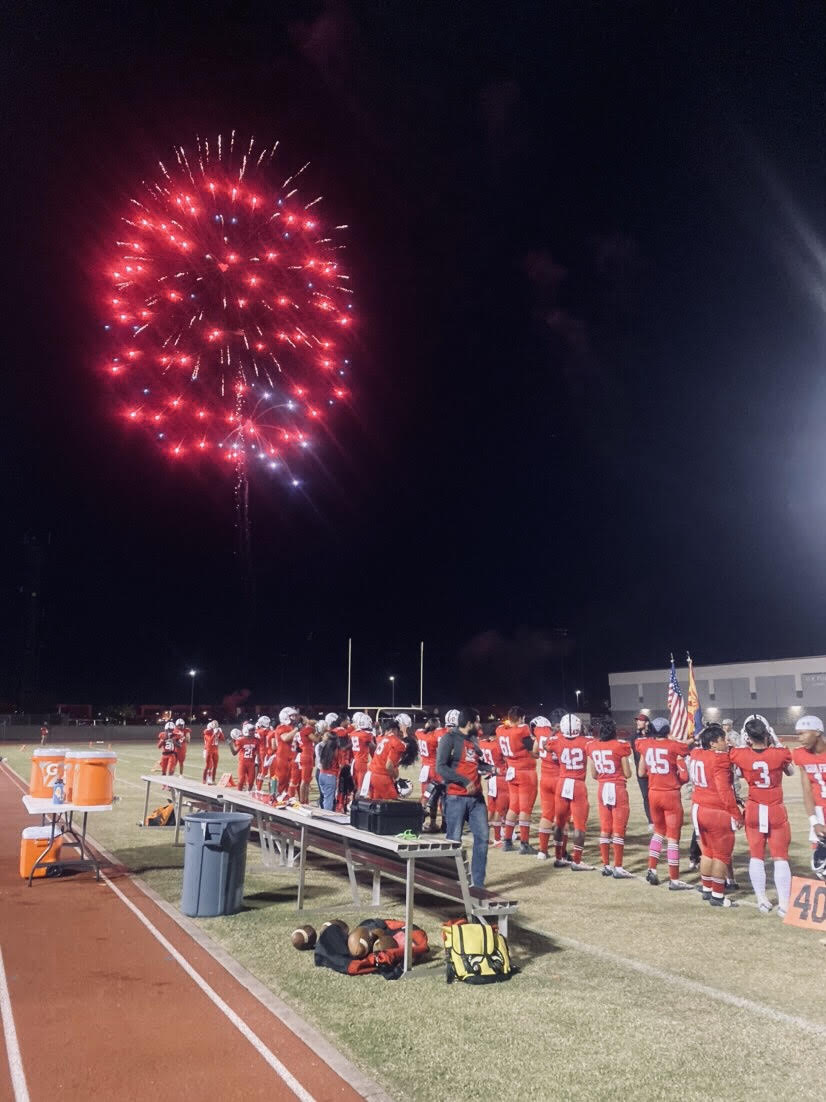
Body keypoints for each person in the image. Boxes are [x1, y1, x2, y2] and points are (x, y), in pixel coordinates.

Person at [731, 716, 794, 916]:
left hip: (754, 808)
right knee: (780, 857)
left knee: (756, 856)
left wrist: (744, 740)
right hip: (775, 809)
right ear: (766, 733)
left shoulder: (740, 754)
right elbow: (789, 765)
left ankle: (762, 900)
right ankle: (784, 904)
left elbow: (738, 755)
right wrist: (772, 735)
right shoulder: (779, 753)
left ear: (748, 737)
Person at [689, 723, 743, 907]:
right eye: (722, 739)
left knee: (707, 852)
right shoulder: (719, 759)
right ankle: (718, 895)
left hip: (698, 807)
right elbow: (724, 791)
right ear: (713, 743)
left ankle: (707, 888)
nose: (726, 742)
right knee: (721, 854)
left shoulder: (696, 753)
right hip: (716, 810)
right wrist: (736, 814)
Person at [636, 717, 693, 890]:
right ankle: (674, 879)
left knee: (658, 832)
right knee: (673, 838)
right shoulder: (673, 746)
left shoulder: (644, 744)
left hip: (653, 793)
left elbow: (640, 746)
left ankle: (652, 868)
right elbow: (685, 753)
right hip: (670, 794)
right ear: (667, 730)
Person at [436, 707, 489, 888]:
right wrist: (464, 780)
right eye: (477, 721)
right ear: (469, 723)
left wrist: (489, 769)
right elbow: (441, 767)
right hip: (456, 797)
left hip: (476, 799)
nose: (479, 724)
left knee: (482, 838)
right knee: (453, 841)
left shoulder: (473, 740)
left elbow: (475, 763)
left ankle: (478, 885)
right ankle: (451, 882)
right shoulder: (449, 738)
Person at [586, 717, 633, 878]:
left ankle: (605, 865)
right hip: (617, 788)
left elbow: (593, 774)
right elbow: (628, 774)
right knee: (619, 829)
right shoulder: (620, 746)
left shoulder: (592, 746)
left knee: (605, 828)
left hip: (602, 788)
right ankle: (618, 867)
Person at [554, 713, 594, 870]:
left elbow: (546, 745)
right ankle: (577, 861)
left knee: (559, 823)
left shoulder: (556, 741)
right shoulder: (586, 742)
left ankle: (559, 857)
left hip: (562, 782)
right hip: (577, 784)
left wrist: (555, 732)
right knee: (579, 825)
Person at [496, 706, 538, 854]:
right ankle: (524, 844)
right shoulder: (522, 730)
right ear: (520, 718)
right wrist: (538, 740)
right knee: (525, 809)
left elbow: (506, 728)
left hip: (511, 771)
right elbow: (534, 753)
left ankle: (507, 840)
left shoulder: (501, 730)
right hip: (525, 773)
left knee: (513, 807)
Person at [791, 714, 826, 851]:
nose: (800, 739)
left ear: (817, 732)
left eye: (802, 734)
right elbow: (807, 791)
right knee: (820, 865)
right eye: (797, 735)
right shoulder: (801, 754)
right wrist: (814, 822)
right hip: (819, 813)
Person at [477, 718, 509, 847]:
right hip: (500, 777)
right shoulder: (498, 745)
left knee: (491, 809)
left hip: (490, 778)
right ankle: (497, 838)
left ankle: (483, 836)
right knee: (499, 810)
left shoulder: (482, 743)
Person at [362, 718, 411, 799]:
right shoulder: (396, 743)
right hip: (382, 776)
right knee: (391, 805)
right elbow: (388, 766)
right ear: (394, 729)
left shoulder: (382, 738)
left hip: (371, 775)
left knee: (375, 805)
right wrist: (397, 778)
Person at [533, 716, 558, 861]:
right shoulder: (558, 736)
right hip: (559, 778)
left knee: (546, 815)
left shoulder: (540, 734)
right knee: (561, 816)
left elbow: (535, 751)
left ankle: (542, 850)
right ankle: (560, 851)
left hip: (545, 778)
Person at [416, 714, 445, 833]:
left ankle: (420, 822)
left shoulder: (419, 733)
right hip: (435, 770)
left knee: (426, 796)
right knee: (441, 797)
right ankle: (442, 823)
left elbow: (420, 730)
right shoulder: (435, 737)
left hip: (425, 770)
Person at [269, 707, 299, 797]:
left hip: (291, 758)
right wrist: (297, 729)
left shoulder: (291, 727)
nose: (295, 717)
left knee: (290, 782)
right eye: (292, 715)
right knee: (281, 780)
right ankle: (275, 797)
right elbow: (285, 738)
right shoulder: (281, 727)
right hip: (283, 758)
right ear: (285, 717)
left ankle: (286, 798)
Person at [630, 713, 653, 827]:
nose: (638, 722)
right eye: (637, 720)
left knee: (655, 796)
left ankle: (659, 819)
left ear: (647, 723)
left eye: (640, 720)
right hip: (641, 772)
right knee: (646, 796)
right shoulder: (634, 737)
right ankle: (651, 821)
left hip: (654, 771)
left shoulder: (653, 735)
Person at [315, 723, 339, 810]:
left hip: (322, 774)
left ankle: (323, 811)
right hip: (329, 775)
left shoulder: (325, 747)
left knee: (326, 797)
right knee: (328, 799)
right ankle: (326, 818)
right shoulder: (334, 749)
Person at [350, 712, 374, 796]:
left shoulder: (353, 733)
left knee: (356, 786)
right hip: (362, 762)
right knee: (361, 788)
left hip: (355, 761)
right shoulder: (367, 735)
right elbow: (373, 747)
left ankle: (353, 802)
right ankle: (357, 806)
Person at [229, 725, 258, 791]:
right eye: (251, 731)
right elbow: (234, 753)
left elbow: (258, 752)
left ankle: (249, 793)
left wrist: (257, 761)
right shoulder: (241, 740)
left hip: (251, 763)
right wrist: (230, 746)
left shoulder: (256, 740)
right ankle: (239, 794)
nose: (253, 732)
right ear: (246, 731)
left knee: (251, 782)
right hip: (242, 763)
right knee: (241, 780)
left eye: (253, 730)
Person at [202, 719, 225, 783]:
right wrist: (214, 734)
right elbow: (210, 742)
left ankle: (213, 779)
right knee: (209, 765)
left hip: (215, 750)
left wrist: (220, 732)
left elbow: (223, 739)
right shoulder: (207, 732)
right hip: (208, 750)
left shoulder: (216, 731)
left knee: (215, 766)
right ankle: (205, 779)